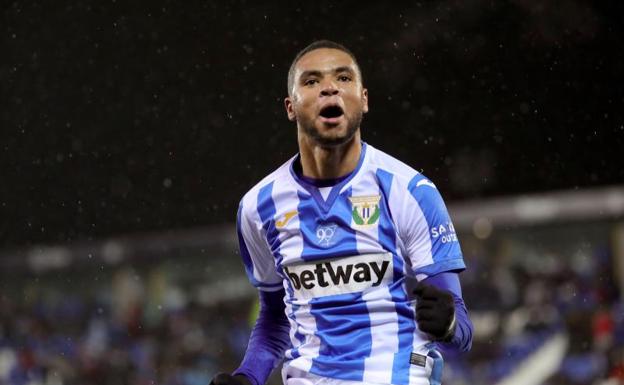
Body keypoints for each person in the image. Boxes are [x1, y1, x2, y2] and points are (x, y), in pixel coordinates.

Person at [211, 40, 473, 385]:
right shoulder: (258, 206)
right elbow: (277, 318)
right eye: (312, 81)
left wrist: (450, 322)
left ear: (364, 100)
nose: (329, 87)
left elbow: (463, 331)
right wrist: (248, 376)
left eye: (344, 78)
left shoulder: (409, 191)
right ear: (291, 107)